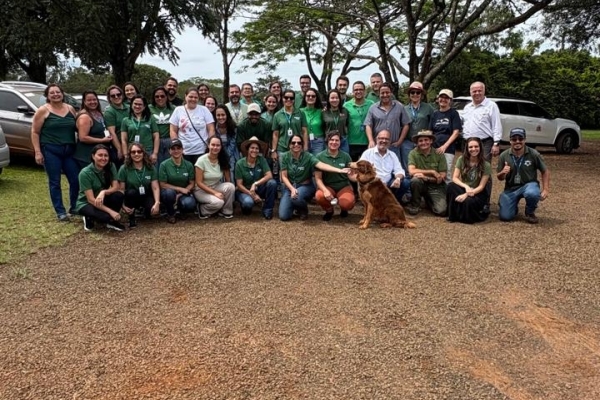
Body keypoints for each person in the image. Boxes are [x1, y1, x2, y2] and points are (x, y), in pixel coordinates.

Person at [31, 83, 80, 221]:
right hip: (51, 150)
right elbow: (35, 132)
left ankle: (74, 207)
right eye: (52, 93)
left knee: (75, 180)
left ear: (62, 94)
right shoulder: (43, 110)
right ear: (47, 96)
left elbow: (77, 127)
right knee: (55, 182)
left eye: (58, 92)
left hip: (69, 150)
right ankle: (60, 212)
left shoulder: (70, 109)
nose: (55, 95)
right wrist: (38, 152)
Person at [279, 134, 349, 221]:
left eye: (299, 143)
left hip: (305, 186)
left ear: (302, 145)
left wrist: (339, 170)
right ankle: (296, 205)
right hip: (290, 187)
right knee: (284, 216)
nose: (296, 144)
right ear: (289, 145)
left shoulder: (308, 156)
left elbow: (321, 165)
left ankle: (303, 210)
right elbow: (284, 176)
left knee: (297, 197)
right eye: (293, 143)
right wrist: (292, 189)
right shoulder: (284, 156)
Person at [462, 81, 502, 211]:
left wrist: (496, 143)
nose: (477, 93)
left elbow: (496, 125)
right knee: (468, 170)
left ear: (484, 91)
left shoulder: (491, 106)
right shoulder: (467, 107)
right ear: (470, 92)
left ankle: (485, 202)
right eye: (474, 91)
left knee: (484, 171)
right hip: (468, 143)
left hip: (485, 143)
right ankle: (470, 198)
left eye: (479, 90)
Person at [497, 128, 550, 224]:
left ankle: (530, 212)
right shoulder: (504, 155)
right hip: (511, 188)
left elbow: (545, 171)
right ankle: (512, 207)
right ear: (510, 141)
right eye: (514, 139)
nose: (517, 141)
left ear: (525, 140)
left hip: (528, 185)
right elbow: (499, 178)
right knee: (505, 216)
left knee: (532, 193)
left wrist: (545, 189)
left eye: (520, 139)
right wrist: (503, 173)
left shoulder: (533, 154)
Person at [75, 144, 125, 232]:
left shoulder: (111, 166)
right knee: (105, 217)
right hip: (87, 203)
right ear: (93, 156)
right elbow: (90, 199)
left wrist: (103, 192)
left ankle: (111, 221)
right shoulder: (85, 173)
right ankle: (88, 216)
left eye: (106, 155)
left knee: (118, 195)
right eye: (100, 155)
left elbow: (116, 187)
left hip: (101, 199)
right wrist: (110, 211)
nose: (103, 158)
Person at [446, 137, 491, 223]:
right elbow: (455, 178)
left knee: (468, 201)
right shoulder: (461, 159)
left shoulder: (486, 164)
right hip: (466, 188)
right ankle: (452, 214)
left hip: (478, 192)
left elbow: (481, 186)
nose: (473, 149)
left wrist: (466, 194)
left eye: (476, 146)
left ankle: (470, 215)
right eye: (470, 147)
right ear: (467, 148)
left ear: (480, 147)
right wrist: (466, 187)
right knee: (450, 186)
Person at [359, 130, 410, 204]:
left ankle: (393, 202)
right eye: (381, 138)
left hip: (389, 185)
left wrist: (398, 179)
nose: (384, 141)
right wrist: (376, 181)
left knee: (405, 182)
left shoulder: (392, 155)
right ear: (376, 139)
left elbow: (399, 170)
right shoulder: (367, 153)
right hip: (373, 185)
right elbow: (360, 170)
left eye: (386, 139)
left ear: (390, 141)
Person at [364, 82, 411, 162]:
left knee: (395, 168)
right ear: (379, 94)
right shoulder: (373, 108)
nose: (385, 95)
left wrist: (400, 141)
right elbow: (368, 125)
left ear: (391, 93)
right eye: (382, 93)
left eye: (387, 92)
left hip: (394, 146)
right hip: (378, 146)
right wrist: (371, 140)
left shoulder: (399, 106)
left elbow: (406, 124)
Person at [118, 143, 160, 228]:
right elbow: (121, 189)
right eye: (133, 152)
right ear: (130, 154)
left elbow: (155, 187)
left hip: (146, 194)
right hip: (131, 196)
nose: (136, 154)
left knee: (150, 211)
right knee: (131, 193)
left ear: (143, 153)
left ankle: (144, 211)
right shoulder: (124, 168)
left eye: (139, 151)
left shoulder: (150, 167)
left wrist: (157, 203)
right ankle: (131, 217)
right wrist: (122, 206)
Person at [169, 87, 215, 165]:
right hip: (184, 151)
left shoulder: (204, 110)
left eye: (195, 97)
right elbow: (173, 130)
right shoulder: (178, 110)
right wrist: (177, 147)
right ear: (185, 96)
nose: (193, 99)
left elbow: (211, 129)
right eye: (190, 97)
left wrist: (209, 145)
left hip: (201, 150)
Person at [407, 130, 448, 216]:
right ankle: (415, 204)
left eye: (426, 140)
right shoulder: (413, 153)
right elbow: (411, 171)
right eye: (420, 141)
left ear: (431, 141)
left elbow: (442, 177)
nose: (423, 143)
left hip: (435, 187)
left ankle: (428, 200)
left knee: (442, 211)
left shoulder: (439, 154)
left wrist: (427, 178)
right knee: (415, 180)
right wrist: (432, 171)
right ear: (417, 143)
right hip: (421, 184)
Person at [315, 132, 355, 221]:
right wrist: (325, 190)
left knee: (346, 203)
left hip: (343, 186)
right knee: (319, 196)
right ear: (327, 141)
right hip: (328, 186)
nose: (334, 142)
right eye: (332, 140)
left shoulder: (346, 156)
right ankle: (329, 210)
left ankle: (344, 209)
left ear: (340, 142)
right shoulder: (320, 156)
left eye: (337, 140)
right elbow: (318, 178)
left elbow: (351, 175)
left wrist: (359, 179)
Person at [235, 137, 277, 219]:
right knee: (248, 203)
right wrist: (252, 195)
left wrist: (255, 184)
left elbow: (269, 175)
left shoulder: (262, 160)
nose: (254, 150)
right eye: (252, 148)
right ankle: (246, 205)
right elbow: (239, 185)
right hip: (245, 190)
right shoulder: (239, 163)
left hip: (258, 188)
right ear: (247, 149)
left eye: (257, 148)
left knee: (272, 183)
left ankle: (268, 209)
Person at [193, 136, 235, 219]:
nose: (215, 147)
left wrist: (228, 195)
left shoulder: (223, 159)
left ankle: (226, 211)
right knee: (219, 202)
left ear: (221, 147)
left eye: (218, 145)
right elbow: (199, 182)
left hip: (216, 186)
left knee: (230, 186)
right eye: (213, 145)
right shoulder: (201, 160)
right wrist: (215, 193)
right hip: (201, 190)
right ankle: (202, 210)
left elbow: (228, 180)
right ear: (208, 145)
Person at [158, 139, 197, 224]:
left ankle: (182, 210)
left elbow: (192, 183)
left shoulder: (189, 165)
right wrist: (180, 189)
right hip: (169, 192)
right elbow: (162, 184)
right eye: (173, 149)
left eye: (178, 148)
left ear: (182, 150)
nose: (176, 151)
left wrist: (182, 192)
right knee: (169, 193)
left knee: (190, 204)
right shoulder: (164, 165)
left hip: (183, 193)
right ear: (169, 151)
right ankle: (170, 213)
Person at [74, 90, 113, 171]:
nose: (92, 102)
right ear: (84, 102)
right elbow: (83, 137)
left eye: (94, 99)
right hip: (86, 157)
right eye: (89, 100)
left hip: (99, 156)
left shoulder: (98, 113)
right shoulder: (84, 117)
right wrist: (102, 140)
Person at [430, 89, 462, 182]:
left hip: (448, 148)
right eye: (441, 97)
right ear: (438, 99)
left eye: (446, 98)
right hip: (434, 148)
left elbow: (456, 132)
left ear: (450, 100)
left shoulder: (454, 113)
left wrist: (444, 146)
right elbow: (430, 131)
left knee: (446, 173)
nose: (443, 100)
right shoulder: (435, 114)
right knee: (434, 172)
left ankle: (447, 190)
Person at [403, 81, 435, 172]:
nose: (415, 94)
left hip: (423, 142)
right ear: (409, 94)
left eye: (418, 92)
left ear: (421, 95)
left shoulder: (428, 108)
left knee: (423, 166)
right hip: (408, 142)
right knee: (408, 167)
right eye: (412, 92)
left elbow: (433, 124)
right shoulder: (404, 109)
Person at [271, 89, 308, 165]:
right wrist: (274, 150)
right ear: (282, 98)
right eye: (286, 97)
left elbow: (304, 131)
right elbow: (275, 134)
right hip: (282, 148)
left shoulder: (301, 113)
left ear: (294, 100)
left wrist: (305, 147)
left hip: (297, 147)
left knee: (298, 169)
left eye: (291, 98)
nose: (288, 99)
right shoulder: (277, 115)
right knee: (283, 170)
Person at [120, 94, 159, 163]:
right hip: (133, 152)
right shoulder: (126, 120)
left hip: (148, 151)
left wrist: (155, 153)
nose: (137, 106)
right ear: (131, 105)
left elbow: (156, 136)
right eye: (135, 104)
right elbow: (124, 140)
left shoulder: (150, 119)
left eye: (140, 104)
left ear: (144, 106)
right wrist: (125, 154)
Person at [344, 81, 374, 161]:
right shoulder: (346, 105)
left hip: (367, 142)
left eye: (361, 89)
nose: (358, 91)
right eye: (356, 90)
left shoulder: (371, 104)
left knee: (367, 166)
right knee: (352, 166)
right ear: (352, 92)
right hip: (351, 142)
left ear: (364, 91)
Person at [149, 86, 176, 165]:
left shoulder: (173, 108)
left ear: (166, 97)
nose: (160, 98)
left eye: (162, 96)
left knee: (169, 164)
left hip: (169, 140)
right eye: (157, 96)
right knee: (155, 164)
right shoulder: (149, 108)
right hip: (154, 141)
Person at [104, 85, 129, 166]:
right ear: (109, 98)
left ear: (122, 95)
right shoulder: (109, 112)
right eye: (113, 96)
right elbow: (112, 133)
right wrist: (119, 149)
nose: (116, 97)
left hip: (132, 144)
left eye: (118, 94)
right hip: (119, 144)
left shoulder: (129, 108)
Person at [214, 105, 239, 178]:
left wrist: (225, 156)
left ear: (227, 115)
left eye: (223, 115)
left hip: (230, 154)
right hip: (217, 152)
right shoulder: (213, 127)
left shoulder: (233, 127)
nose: (220, 117)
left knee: (230, 172)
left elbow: (232, 144)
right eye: (218, 115)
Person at [322, 89, 349, 154]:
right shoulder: (324, 112)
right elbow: (322, 127)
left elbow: (347, 124)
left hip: (342, 140)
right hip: (329, 141)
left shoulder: (345, 111)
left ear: (339, 99)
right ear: (328, 99)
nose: (335, 100)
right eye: (332, 98)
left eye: (337, 98)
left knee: (344, 158)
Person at [300, 87, 325, 155]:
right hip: (303, 141)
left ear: (316, 98)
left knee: (317, 161)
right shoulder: (299, 111)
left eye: (313, 96)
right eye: (308, 96)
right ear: (305, 97)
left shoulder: (322, 111)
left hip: (318, 142)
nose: (310, 97)